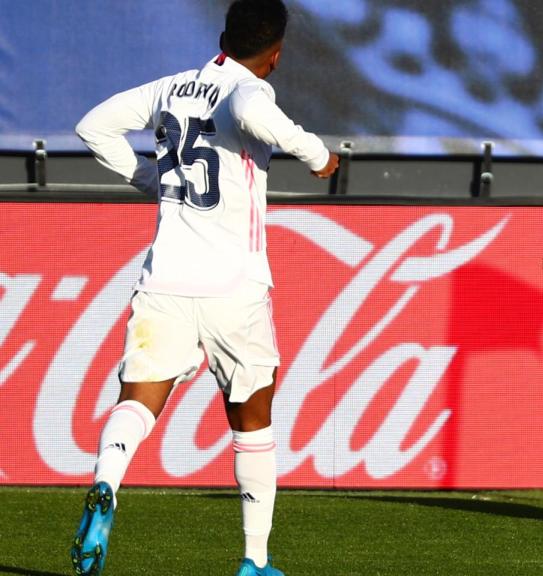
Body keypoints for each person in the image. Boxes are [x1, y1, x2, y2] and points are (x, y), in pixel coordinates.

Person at [71, 1, 339, 575]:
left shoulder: (170, 88)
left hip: (164, 280)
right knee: (252, 422)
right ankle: (254, 561)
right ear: (276, 54)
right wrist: (318, 156)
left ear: (222, 36)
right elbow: (250, 108)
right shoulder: (250, 90)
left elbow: (92, 126)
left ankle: (106, 482)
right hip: (233, 288)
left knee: (137, 401)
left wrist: (150, 177)